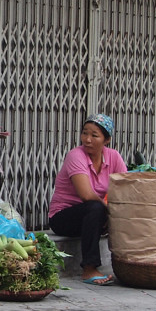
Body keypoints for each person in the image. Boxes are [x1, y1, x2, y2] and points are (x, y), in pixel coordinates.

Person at [48, 113, 127, 286]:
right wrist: (108, 210)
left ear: (106, 140)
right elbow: (86, 195)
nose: (87, 139)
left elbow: (124, 189)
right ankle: (89, 268)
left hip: (93, 216)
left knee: (112, 210)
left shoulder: (113, 157)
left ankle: (129, 264)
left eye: (94, 135)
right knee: (95, 207)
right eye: (85, 133)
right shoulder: (76, 156)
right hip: (63, 217)